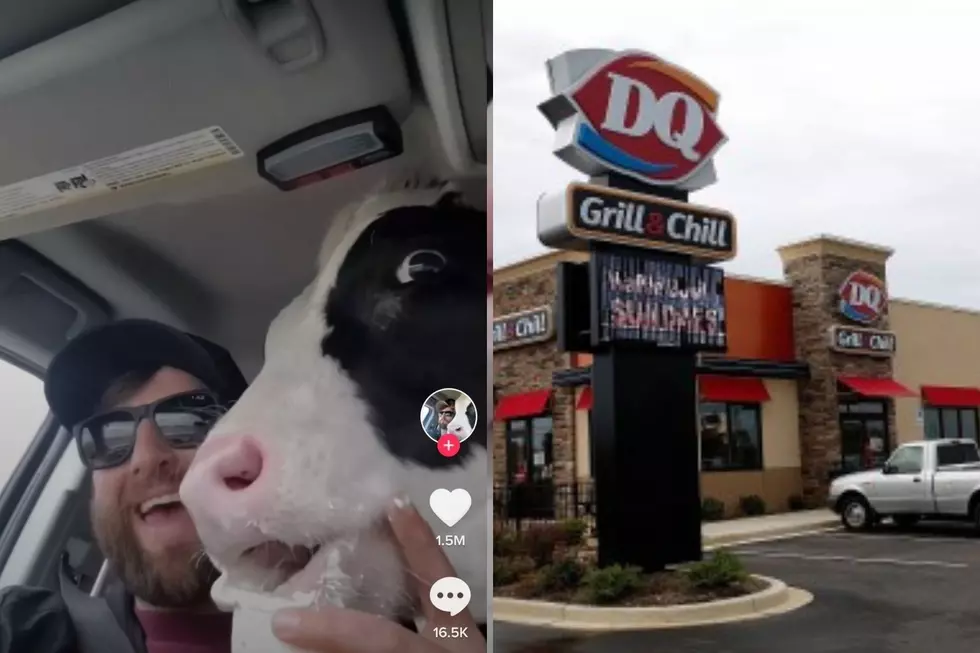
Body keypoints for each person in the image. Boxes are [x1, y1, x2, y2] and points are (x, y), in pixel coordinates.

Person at [0, 318, 488, 653]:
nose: (148, 459)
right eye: (108, 435)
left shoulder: (389, 628)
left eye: (187, 418)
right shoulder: (24, 630)